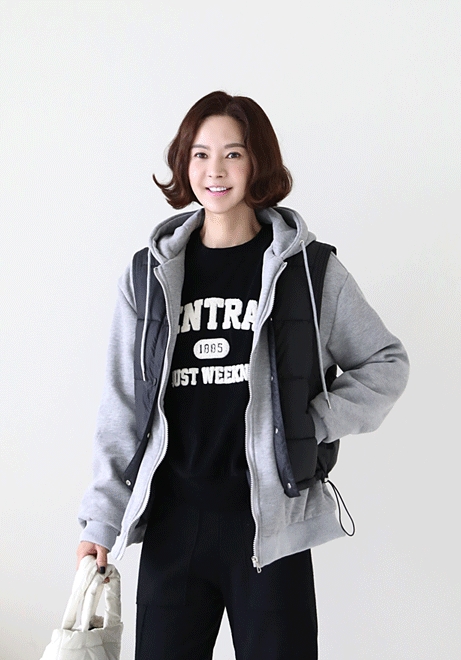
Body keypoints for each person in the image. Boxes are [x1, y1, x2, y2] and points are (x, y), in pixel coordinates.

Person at [76, 91, 409, 659]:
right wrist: (99, 523)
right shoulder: (148, 277)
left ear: (257, 163)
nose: (216, 170)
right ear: (185, 164)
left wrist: (311, 422)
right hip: (172, 527)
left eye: (233, 154)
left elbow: (386, 362)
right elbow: (123, 408)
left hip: (271, 529)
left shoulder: (307, 271)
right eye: (201, 154)